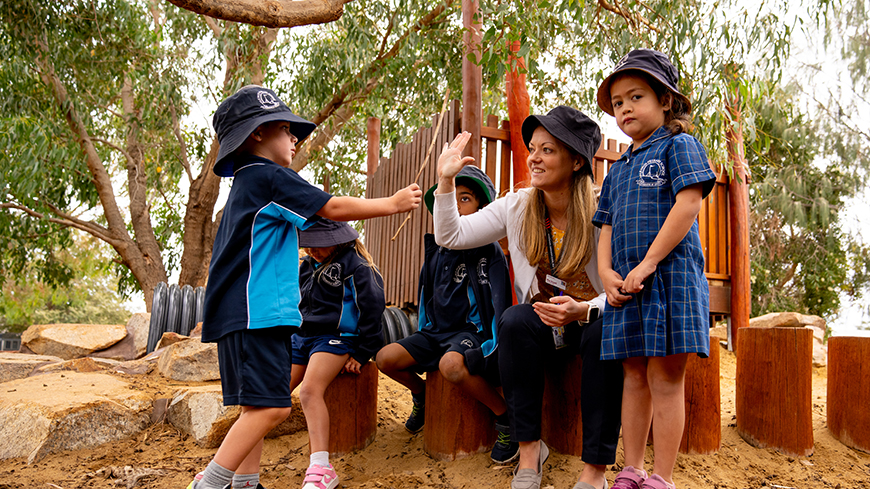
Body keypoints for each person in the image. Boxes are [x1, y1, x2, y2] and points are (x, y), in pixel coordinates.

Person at [189, 85, 421, 489]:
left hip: (240, 314)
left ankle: (246, 483)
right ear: (256, 133)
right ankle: (210, 483)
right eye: (285, 128)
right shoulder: (268, 177)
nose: (294, 138)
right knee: (274, 409)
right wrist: (392, 203)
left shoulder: (246, 187)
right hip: (257, 313)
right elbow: (330, 208)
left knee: (255, 406)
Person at [434, 107, 623, 489]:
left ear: (575, 161)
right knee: (515, 320)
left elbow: (620, 289)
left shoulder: (605, 210)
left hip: (589, 320)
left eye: (547, 150)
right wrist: (445, 182)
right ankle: (530, 453)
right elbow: (450, 236)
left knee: (605, 333)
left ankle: (594, 472)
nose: (534, 157)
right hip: (542, 326)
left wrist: (584, 309)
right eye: (532, 148)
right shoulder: (518, 205)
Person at [593, 49, 717, 489]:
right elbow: (604, 225)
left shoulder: (679, 145)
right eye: (618, 101)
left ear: (665, 100)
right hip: (626, 286)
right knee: (633, 374)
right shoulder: (617, 169)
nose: (625, 107)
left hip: (671, 280)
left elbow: (688, 204)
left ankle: (661, 477)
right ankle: (632, 469)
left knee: (665, 376)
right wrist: (606, 273)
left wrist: (648, 262)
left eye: (636, 96)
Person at [375, 165, 517, 464]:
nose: (454, 207)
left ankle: (505, 416)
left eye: (463, 199)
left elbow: (500, 301)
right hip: (434, 333)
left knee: (451, 366)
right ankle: (423, 394)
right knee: (386, 358)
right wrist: (424, 329)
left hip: (470, 333)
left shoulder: (489, 252)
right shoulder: (436, 249)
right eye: (448, 200)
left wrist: (493, 342)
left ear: (483, 207)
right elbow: (427, 295)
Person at [291, 218, 385, 489]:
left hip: (334, 338)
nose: (312, 251)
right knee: (271, 392)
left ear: (338, 238)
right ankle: (242, 469)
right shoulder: (307, 265)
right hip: (301, 337)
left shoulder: (357, 266)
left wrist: (364, 351)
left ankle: (321, 466)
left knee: (309, 391)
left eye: (318, 245)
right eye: (308, 245)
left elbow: (372, 310)